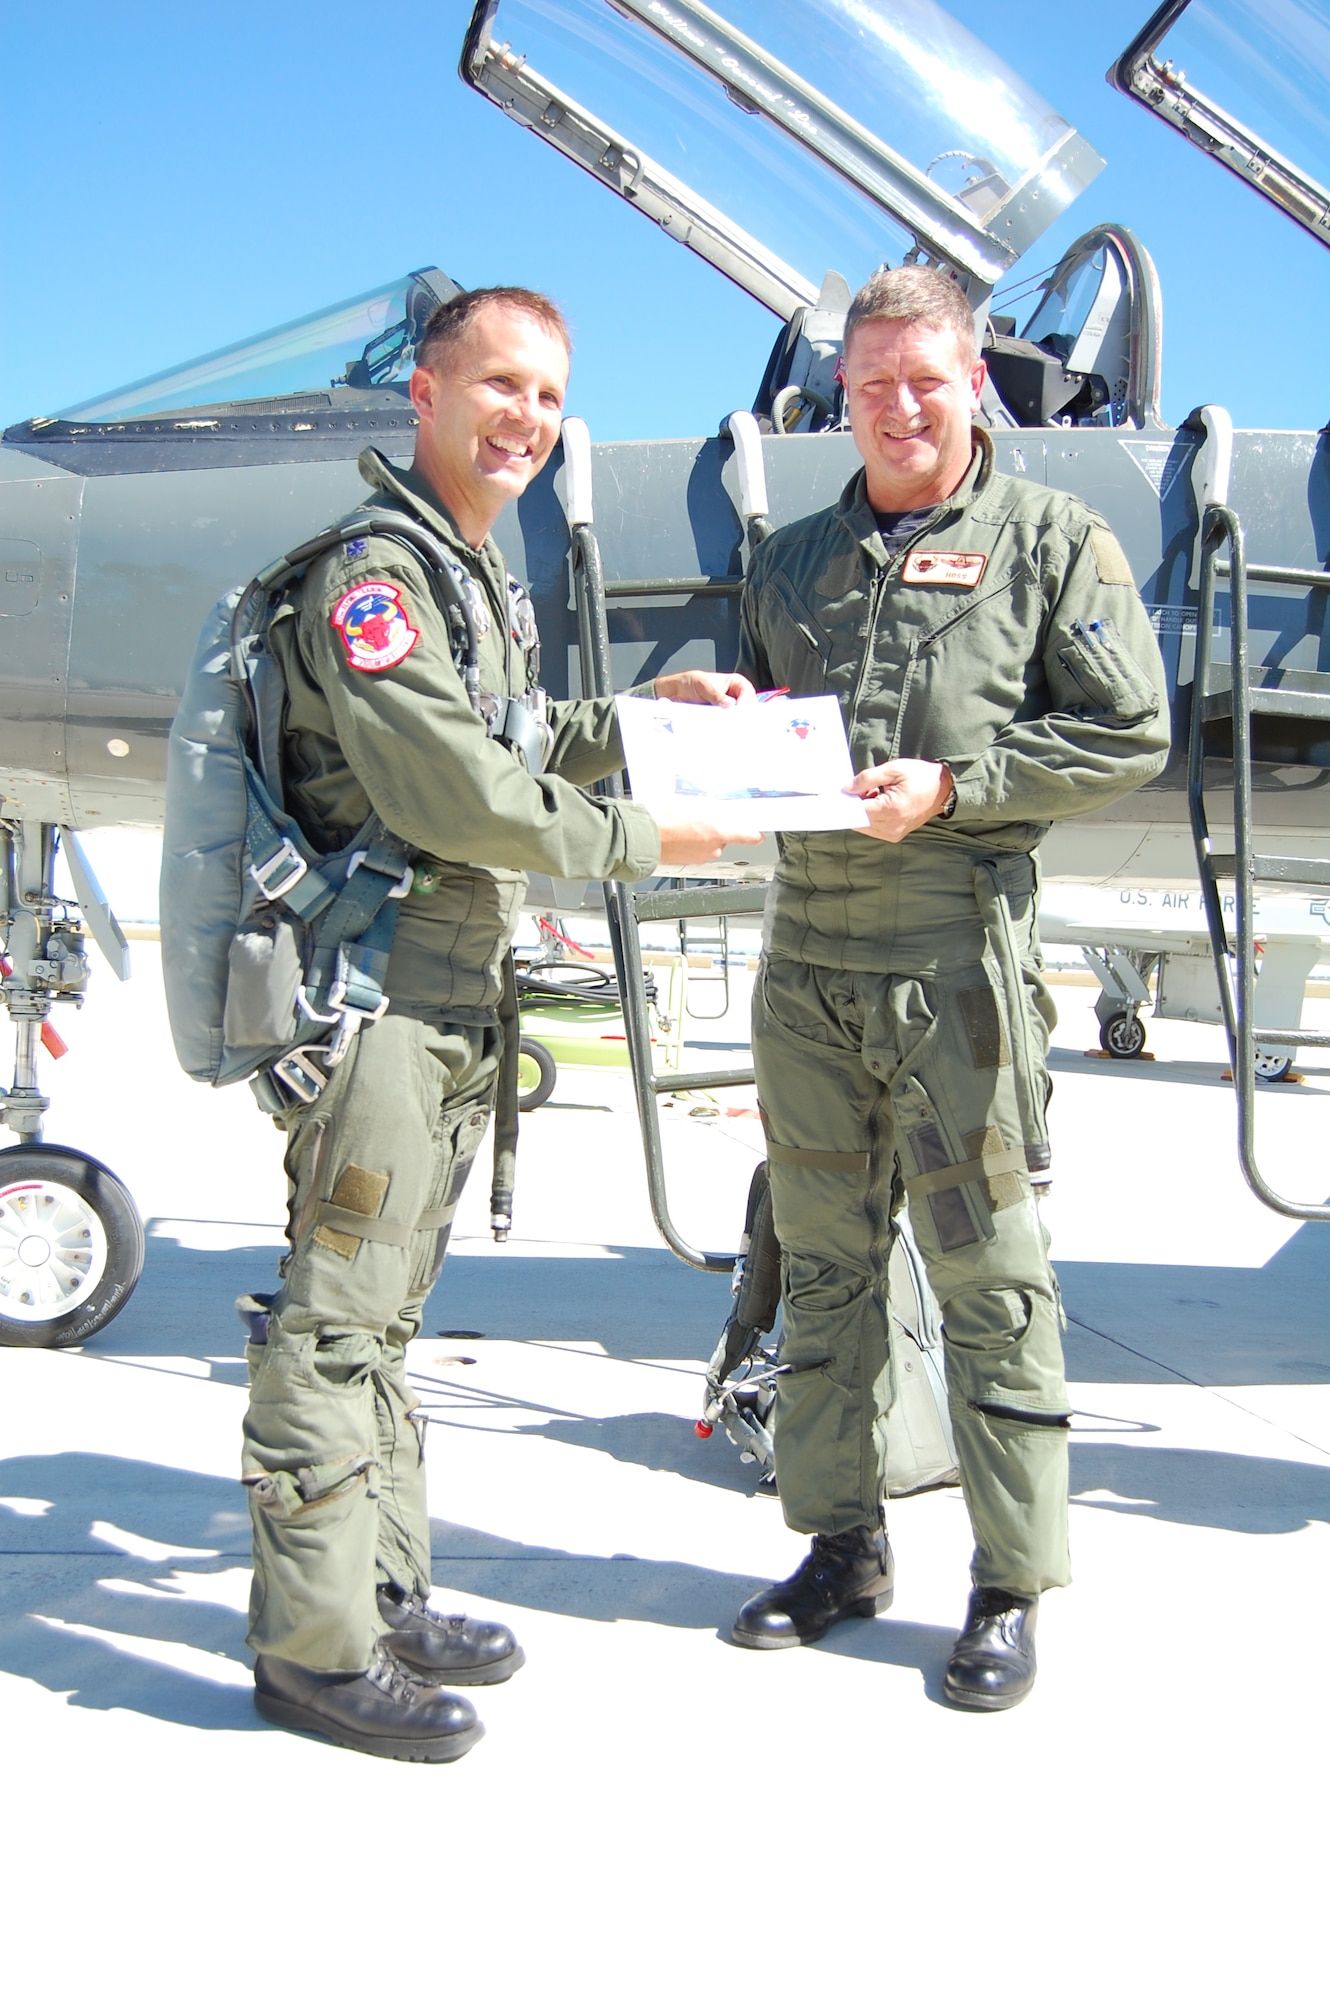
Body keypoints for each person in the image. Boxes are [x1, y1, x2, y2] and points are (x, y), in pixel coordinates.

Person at [242, 285, 758, 1760]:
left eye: (549, 394)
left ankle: (379, 1585)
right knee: (334, 1326)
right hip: (386, 996)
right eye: (500, 385)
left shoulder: (470, 575)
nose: (526, 417)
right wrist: (661, 838)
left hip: (453, 985)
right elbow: (455, 797)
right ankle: (310, 1651)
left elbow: (513, 738)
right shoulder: (376, 579)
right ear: (427, 391)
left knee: (387, 1320)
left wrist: (658, 713)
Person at [729, 265, 1169, 1708]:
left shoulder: (1051, 541)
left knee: (985, 1277)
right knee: (824, 1266)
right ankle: (840, 1547)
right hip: (805, 963)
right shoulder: (788, 561)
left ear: (971, 381)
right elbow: (763, 727)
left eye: (925, 380)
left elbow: (1126, 735)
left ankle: (1005, 1581)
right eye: (870, 386)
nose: (899, 408)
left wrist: (959, 787)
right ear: (838, 396)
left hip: (950, 961)